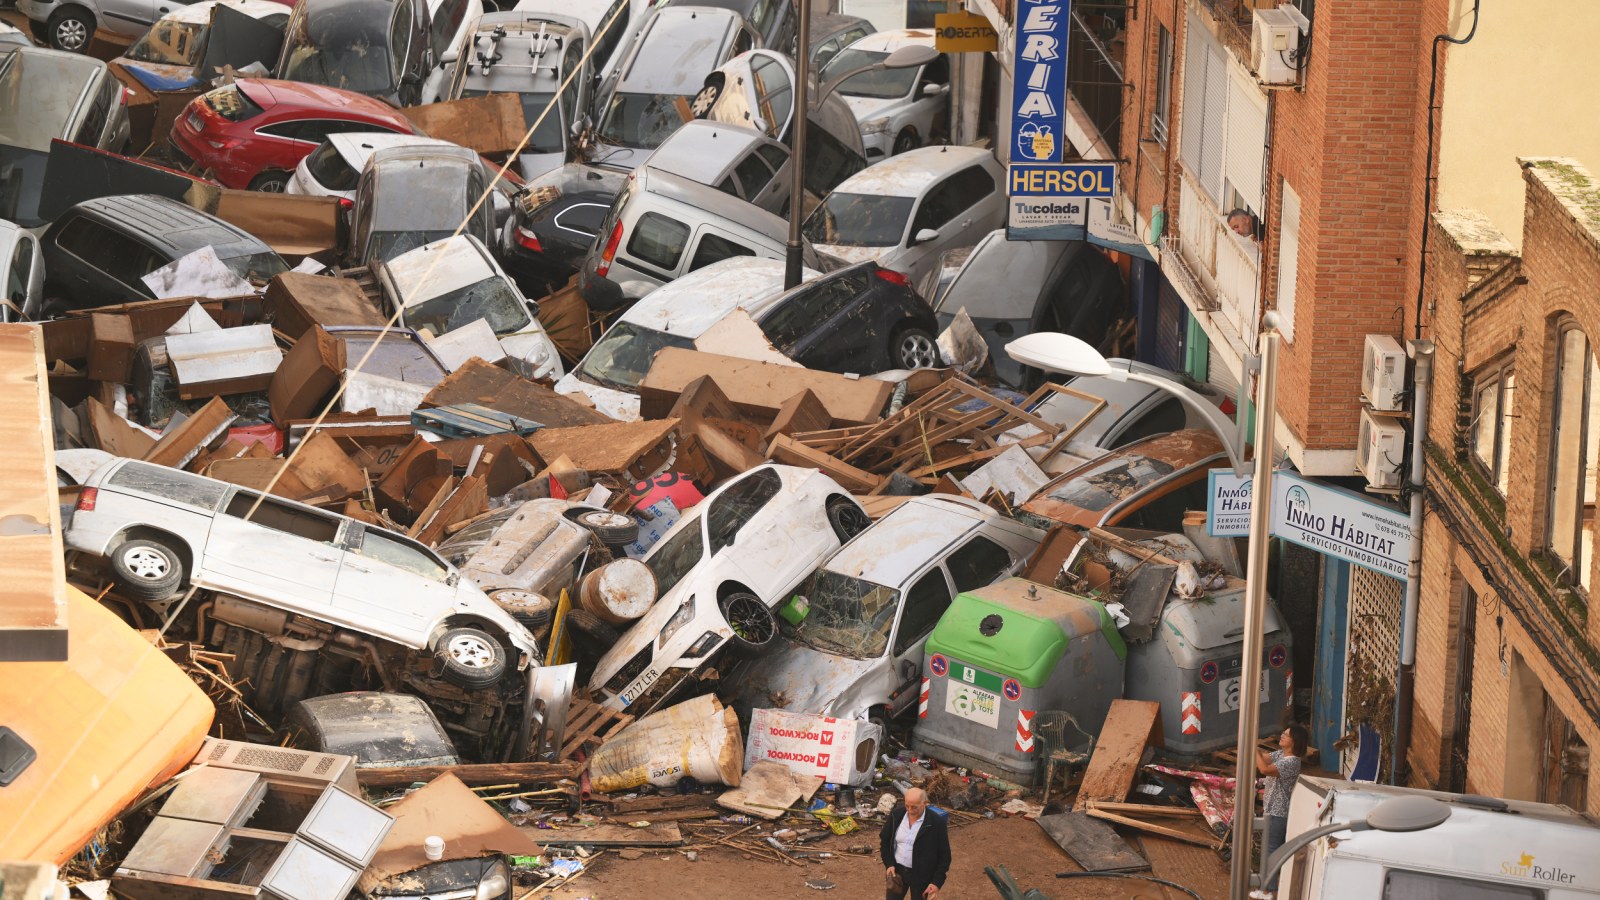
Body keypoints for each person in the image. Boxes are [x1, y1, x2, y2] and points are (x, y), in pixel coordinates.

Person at [1252, 724, 1308, 900]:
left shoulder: (1292, 762)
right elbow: (1264, 758)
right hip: (1271, 809)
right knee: (1268, 849)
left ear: (1295, 741)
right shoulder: (1281, 755)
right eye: (1283, 733)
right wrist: (1255, 749)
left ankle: (1269, 892)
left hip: (1279, 812)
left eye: (1286, 735)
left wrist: (1252, 747)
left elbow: (1264, 769)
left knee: (1271, 850)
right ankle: (1266, 889)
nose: (1282, 736)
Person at [879, 787, 951, 899]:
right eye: (907, 805)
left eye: (914, 807)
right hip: (897, 873)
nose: (909, 810)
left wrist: (936, 882)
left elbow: (945, 856)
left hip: (923, 876)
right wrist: (889, 864)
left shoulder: (936, 823)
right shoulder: (896, 816)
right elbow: (885, 842)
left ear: (925, 803)